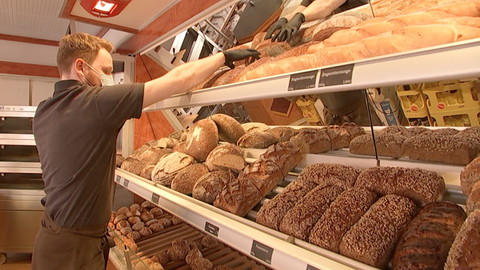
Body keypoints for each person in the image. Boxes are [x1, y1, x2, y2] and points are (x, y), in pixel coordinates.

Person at [31, 32, 259, 270]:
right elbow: (180, 78)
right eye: (106, 71)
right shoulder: (95, 103)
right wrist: (223, 56)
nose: (109, 78)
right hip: (74, 252)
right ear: (81, 67)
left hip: (52, 237)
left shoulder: (43, 111)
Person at [265, 0, 381, 126]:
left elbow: (327, 4)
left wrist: (301, 17)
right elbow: (303, 7)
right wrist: (286, 19)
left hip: (356, 42)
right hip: (331, 52)